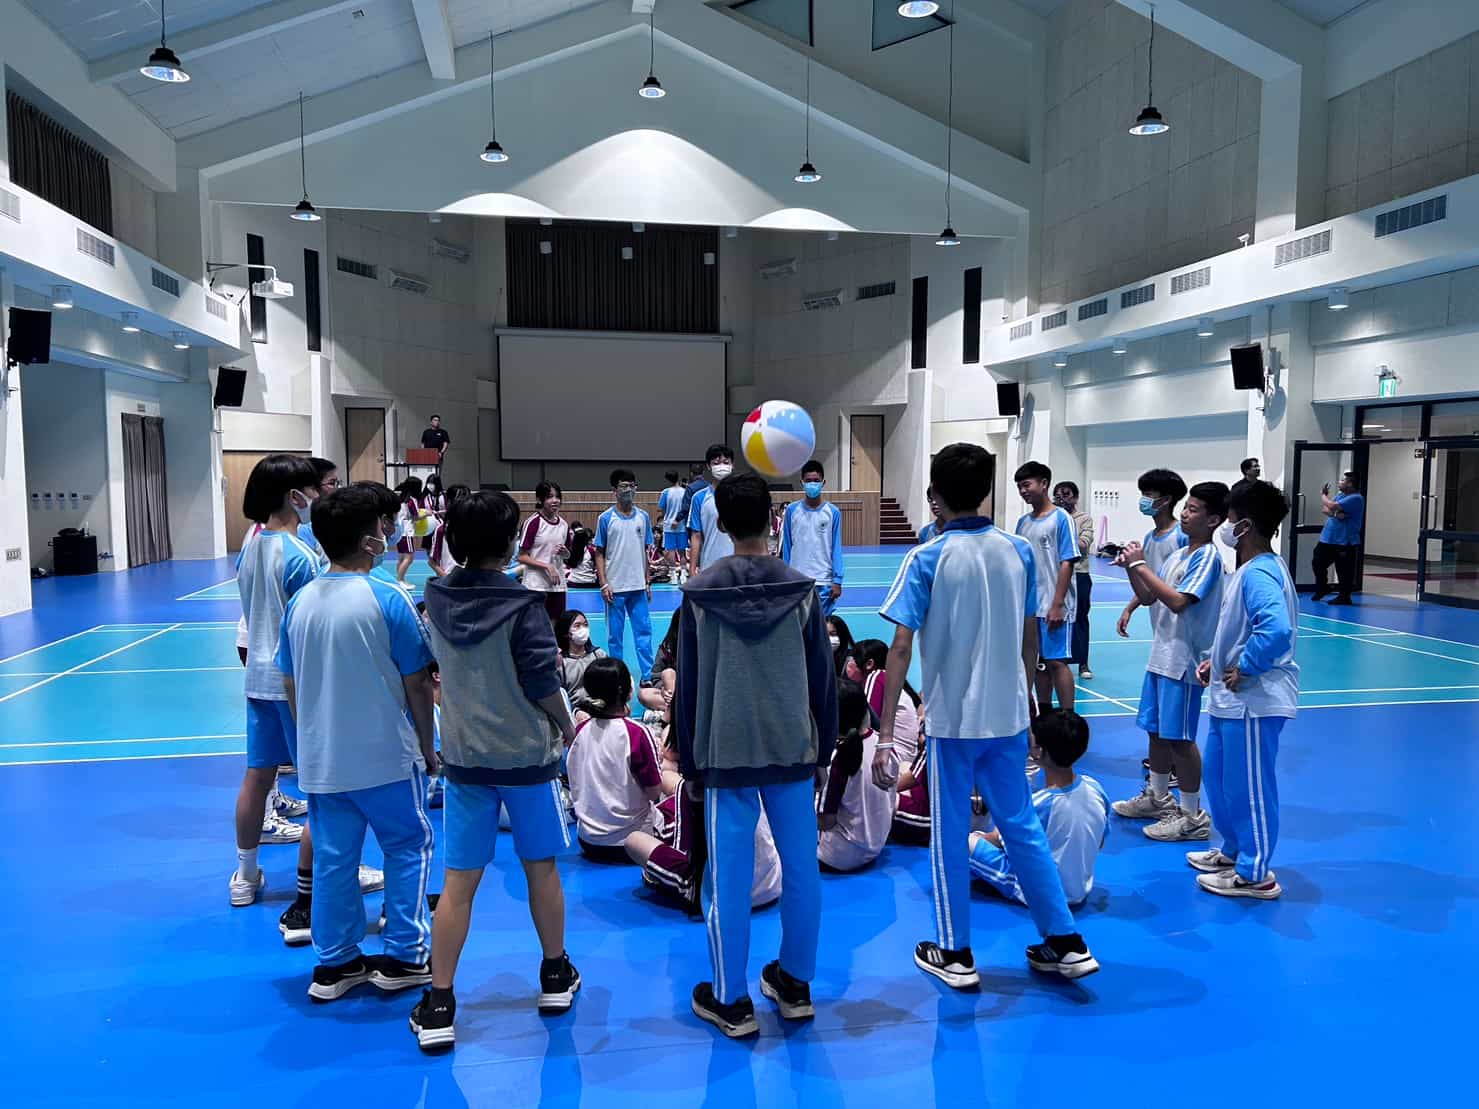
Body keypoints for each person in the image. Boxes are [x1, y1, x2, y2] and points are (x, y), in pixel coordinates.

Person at [876, 443, 1097, 988]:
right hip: (1009, 717)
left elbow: (900, 648)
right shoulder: (1017, 550)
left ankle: (954, 952)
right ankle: (1064, 940)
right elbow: (1029, 636)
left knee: (950, 834)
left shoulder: (926, 557)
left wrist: (884, 736)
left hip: (953, 723)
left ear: (935, 493)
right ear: (988, 490)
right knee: (1020, 826)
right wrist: (1028, 702)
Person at [414, 490, 581, 1052]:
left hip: (464, 759)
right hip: (527, 759)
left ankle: (439, 1002)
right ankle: (555, 974)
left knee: (458, 883)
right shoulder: (522, 606)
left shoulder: (434, 597)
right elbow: (542, 682)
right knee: (541, 869)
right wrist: (568, 726)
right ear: (510, 542)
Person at [675, 472, 839, 1038]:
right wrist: (824, 748)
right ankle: (795, 983)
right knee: (802, 869)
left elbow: (688, 687)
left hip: (726, 753)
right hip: (793, 748)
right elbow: (823, 677)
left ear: (720, 523)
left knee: (727, 879)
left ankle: (732, 999)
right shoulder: (802, 591)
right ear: (774, 519)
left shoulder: (699, 594)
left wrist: (691, 763)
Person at [276, 487, 439, 1002]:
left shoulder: (299, 603)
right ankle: (405, 955)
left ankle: (336, 963)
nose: (387, 534)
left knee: (333, 859)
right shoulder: (388, 598)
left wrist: (311, 739)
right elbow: (418, 682)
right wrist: (428, 745)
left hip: (323, 762)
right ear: (370, 540)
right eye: (382, 528)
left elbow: (289, 681)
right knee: (407, 846)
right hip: (386, 757)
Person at [1191, 481, 1298, 901]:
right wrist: (1214, 661)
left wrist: (1247, 665)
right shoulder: (1246, 571)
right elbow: (1238, 629)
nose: (1225, 526)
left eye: (1230, 519)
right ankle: (1234, 850)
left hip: (1255, 700)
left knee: (1250, 787)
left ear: (1245, 526)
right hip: (1230, 700)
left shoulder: (1260, 573)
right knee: (1221, 779)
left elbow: (1276, 629)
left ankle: (1256, 874)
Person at [230, 455, 323, 910]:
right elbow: (310, 628)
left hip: (257, 680)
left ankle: (245, 876)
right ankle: (328, 872)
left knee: (257, 776)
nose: (318, 497)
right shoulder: (300, 556)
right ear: (294, 496)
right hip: (294, 685)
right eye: (314, 489)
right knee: (321, 785)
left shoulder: (250, 548)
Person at [1112, 482, 1228, 841]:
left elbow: (1178, 601)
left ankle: (1192, 816)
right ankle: (1158, 798)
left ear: (1213, 520)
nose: (1185, 514)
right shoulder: (1178, 556)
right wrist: (1131, 568)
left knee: (1180, 739)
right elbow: (1150, 597)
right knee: (1156, 731)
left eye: (1193, 509)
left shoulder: (1207, 557)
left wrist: (1142, 565)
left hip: (1184, 661)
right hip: (1160, 655)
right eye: (1186, 507)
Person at [967, 709, 1107, 908]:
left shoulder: (1040, 803)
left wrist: (984, 835)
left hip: (1041, 893)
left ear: (1038, 751)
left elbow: (999, 841)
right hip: (1081, 888)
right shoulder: (1096, 788)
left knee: (966, 842)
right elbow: (1099, 842)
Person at [1116, 470, 1191, 781]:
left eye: (1149, 494)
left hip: (1182, 639)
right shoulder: (1149, 538)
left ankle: (1175, 770)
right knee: (1156, 716)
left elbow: (1179, 592)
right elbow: (1150, 589)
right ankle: (1163, 767)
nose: (1143, 500)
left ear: (1166, 500)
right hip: (1161, 636)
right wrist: (1130, 606)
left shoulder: (1182, 537)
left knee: (1174, 719)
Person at [568, 658, 676, 861]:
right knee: (681, 797)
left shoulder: (579, 731)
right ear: (625, 690)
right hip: (633, 843)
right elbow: (653, 792)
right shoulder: (637, 733)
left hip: (588, 841)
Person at [1014, 461, 1079, 713]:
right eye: (1019, 487)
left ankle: (1068, 716)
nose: (1023, 491)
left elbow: (1067, 561)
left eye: (1026, 484)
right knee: (1038, 662)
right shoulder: (1023, 523)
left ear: (1043, 484)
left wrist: (1057, 603)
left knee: (1057, 662)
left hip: (1054, 604)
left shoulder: (1061, 519)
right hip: (1031, 607)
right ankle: (1045, 713)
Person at [818, 680, 896, 872]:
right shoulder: (885, 749)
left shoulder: (837, 759)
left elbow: (826, 821)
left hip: (838, 856)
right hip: (876, 845)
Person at [595, 469, 656, 683]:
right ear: (614, 490)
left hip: (638, 587)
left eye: (632, 485)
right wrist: (604, 584)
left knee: (644, 634)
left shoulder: (644, 517)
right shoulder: (605, 518)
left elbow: (646, 551)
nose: (629, 490)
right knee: (615, 637)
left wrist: (647, 581)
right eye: (624, 486)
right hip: (615, 588)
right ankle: (617, 676)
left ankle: (647, 676)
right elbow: (599, 553)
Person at [781, 460, 845, 618]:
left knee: (822, 627)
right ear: (802, 483)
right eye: (808, 481)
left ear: (823, 482)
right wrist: (785, 578)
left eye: (816, 480)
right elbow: (787, 546)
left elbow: (836, 548)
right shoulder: (791, 510)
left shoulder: (833, 512)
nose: (812, 484)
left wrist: (837, 580)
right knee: (799, 626)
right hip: (797, 581)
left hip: (824, 581)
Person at [847, 638, 921, 762]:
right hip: (902, 755)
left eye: (853, 659)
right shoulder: (888, 680)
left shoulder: (877, 676)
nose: (849, 664)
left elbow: (866, 722)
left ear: (869, 664)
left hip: (892, 754)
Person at [1053, 481, 1096, 680]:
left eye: (1066, 495)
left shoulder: (1084, 519)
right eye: (1058, 495)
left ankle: (1082, 662)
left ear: (1076, 497)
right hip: (1056, 574)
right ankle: (1053, 659)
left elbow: (1083, 544)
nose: (1062, 499)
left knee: (1080, 618)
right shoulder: (1052, 518)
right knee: (1054, 616)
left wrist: (1065, 528)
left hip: (1079, 574)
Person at [518, 481, 572, 621]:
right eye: (549, 497)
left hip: (558, 586)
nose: (555, 500)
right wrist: (547, 566)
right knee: (535, 626)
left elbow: (567, 556)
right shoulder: (533, 523)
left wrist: (565, 553)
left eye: (557, 497)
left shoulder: (564, 525)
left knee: (557, 625)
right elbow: (522, 557)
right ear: (539, 500)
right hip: (536, 585)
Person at [1313, 470, 1365, 605]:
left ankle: (1344, 596)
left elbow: (1331, 505)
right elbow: (1325, 509)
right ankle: (1322, 587)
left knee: (1343, 569)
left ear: (1350, 484)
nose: (1339, 482)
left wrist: (1323, 495)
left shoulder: (1356, 498)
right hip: (1328, 538)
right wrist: (1336, 514)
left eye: (1343, 480)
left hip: (1345, 540)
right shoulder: (1341, 495)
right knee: (1317, 562)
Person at [686, 444, 736, 576]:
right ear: (708, 466)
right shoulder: (699, 498)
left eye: (726, 462)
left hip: (738, 568)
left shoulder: (742, 496)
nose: (722, 467)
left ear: (732, 465)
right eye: (716, 463)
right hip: (709, 566)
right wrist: (692, 569)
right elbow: (696, 536)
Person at [554, 610, 605, 712]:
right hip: (573, 712)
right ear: (566, 632)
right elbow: (558, 696)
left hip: (601, 708)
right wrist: (575, 711)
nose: (583, 629)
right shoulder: (560, 662)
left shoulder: (599, 655)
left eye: (585, 625)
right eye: (577, 626)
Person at [428, 483, 470, 578]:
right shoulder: (441, 530)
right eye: (458, 499)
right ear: (449, 502)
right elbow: (432, 562)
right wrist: (447, 578)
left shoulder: (475, 528)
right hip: (449, 581)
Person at [658, 470, 690, 584]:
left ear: (668, 480)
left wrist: (667, 517)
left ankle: (673, 576)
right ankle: (683, 575)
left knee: (670, 550)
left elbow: (662, 509)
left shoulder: (665, 492)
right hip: (682, 525)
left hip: (669, 526)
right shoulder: (685, 492)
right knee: (682, 551)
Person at [393, 478, 425, 584]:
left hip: (399, 532)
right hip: (407, 533)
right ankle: (400, 580)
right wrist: (427, 514)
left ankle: (399, 580)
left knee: (401, 558)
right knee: (409, 558)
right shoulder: (411, 500)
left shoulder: (400, 499)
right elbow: (416, 517)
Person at [827, 614, 856, 679]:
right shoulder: (814, 658)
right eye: (825, 634)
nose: (828, 638)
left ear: (842, 635)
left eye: (833, 634)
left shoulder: (852, 660)